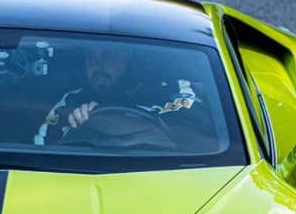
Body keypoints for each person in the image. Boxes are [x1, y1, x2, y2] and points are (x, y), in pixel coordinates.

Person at [33, 43, 206, 146]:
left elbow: (202, 142)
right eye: (91, 56)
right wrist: (73, 123)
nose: (98, 64)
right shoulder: (72, 101)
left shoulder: (178, 92)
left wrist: (104, 117)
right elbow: (42, 152)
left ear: (133, 61)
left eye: (109, 55)